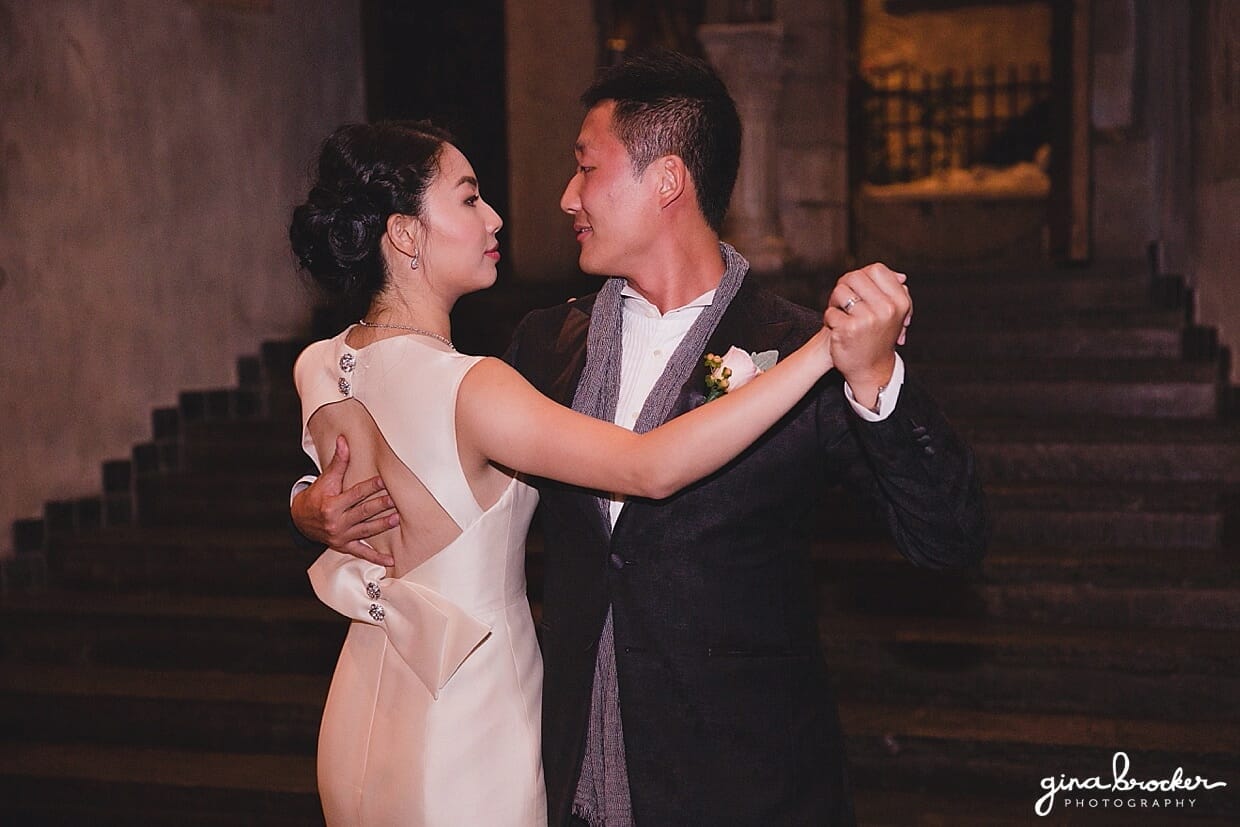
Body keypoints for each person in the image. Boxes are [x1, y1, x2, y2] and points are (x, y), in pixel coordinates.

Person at [294, 52, 986, 826]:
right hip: (560, 781)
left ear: (665, 182)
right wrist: (311, 504)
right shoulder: (540, 343)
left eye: (585, 168)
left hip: (745, 788)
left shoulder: (795, 346)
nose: (564, 197)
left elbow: (948, 537)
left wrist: (877, 379)